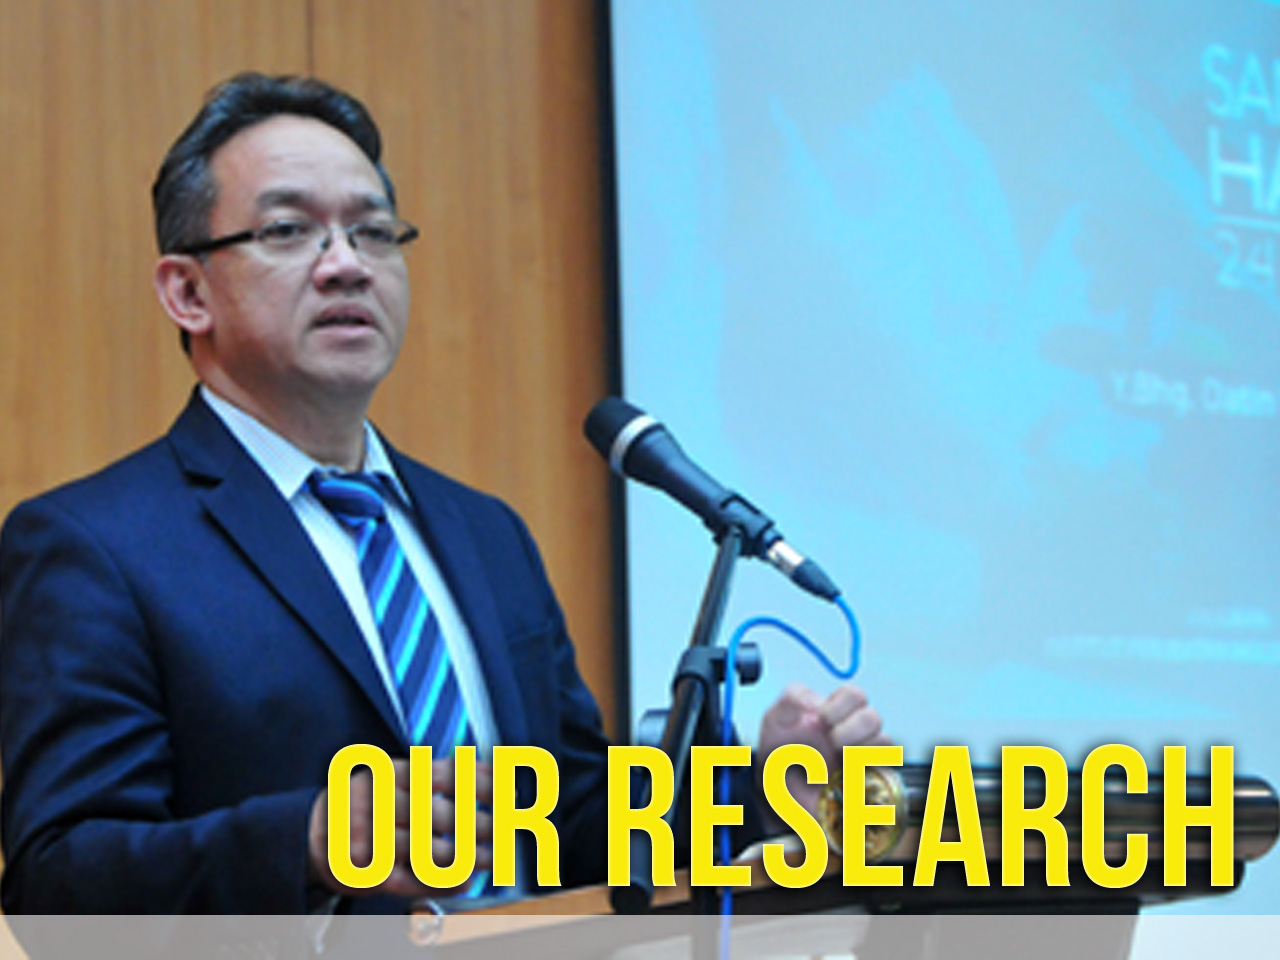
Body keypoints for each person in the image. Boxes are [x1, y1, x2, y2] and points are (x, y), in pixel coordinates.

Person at [0, 73, 885, 915]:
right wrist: (306, 841)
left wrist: (760, 794)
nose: (346, 265)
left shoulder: (483, 531)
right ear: (188, 291)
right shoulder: (93, 546)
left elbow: (572, 822)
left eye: (373, 231)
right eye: (289, 231)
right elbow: (57, 881)